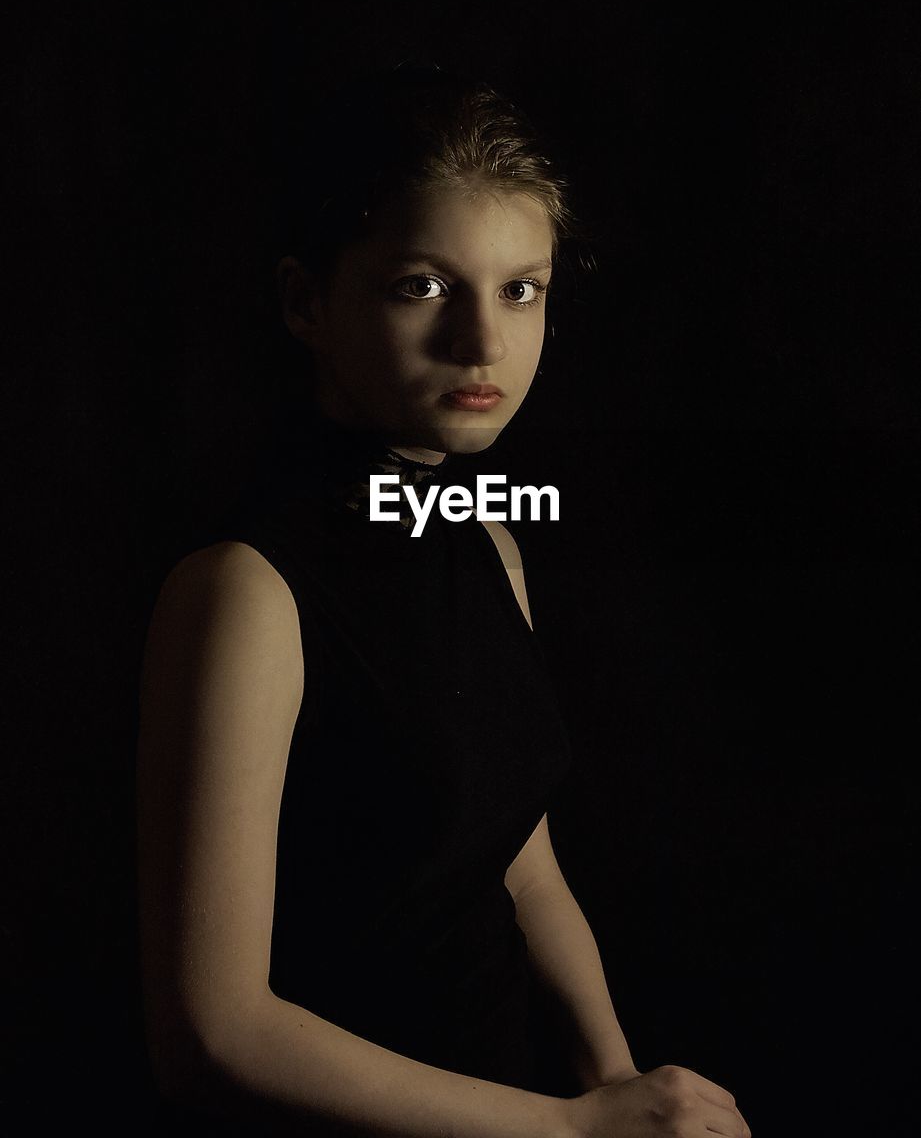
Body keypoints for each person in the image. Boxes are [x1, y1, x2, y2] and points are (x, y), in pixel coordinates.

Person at [136, 66, 752, 1137]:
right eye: (423, 285)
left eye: (521, 288)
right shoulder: (245, 590)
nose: (483, 342)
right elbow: (216, 1034)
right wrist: (576, 1129)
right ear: (306, 302)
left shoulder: (488, 540)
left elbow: (521, 857)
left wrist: (619, 1081)